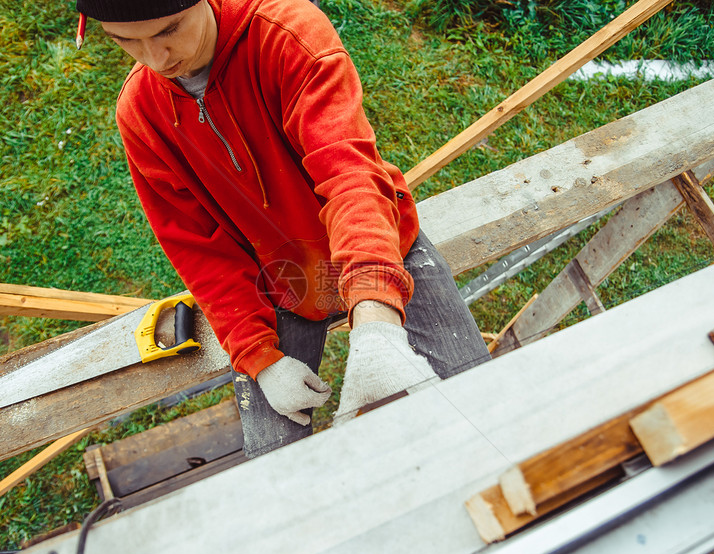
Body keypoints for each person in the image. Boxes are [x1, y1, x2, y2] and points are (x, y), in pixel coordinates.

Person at [75, 0, 491, 458]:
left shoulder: (287, 34)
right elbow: (198, 248)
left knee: (483, 409)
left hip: (377, 244)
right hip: (277, 283)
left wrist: (377, 325)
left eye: (169, 30)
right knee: (276, 468)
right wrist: (259, 357)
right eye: (125, 41)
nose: (156, 59)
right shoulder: (140, 112)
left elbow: (349, 175)